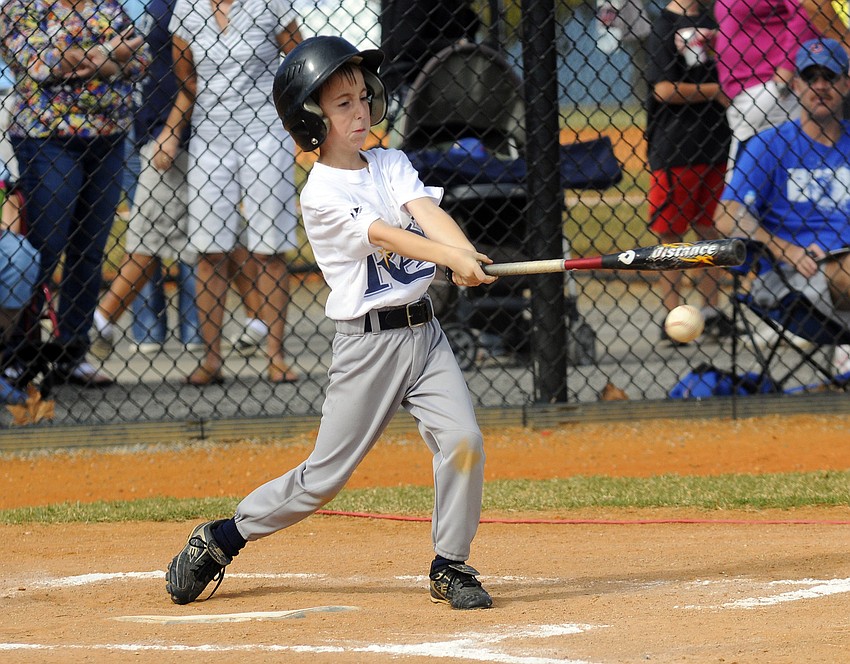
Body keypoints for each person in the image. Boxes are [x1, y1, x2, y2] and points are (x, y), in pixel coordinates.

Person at [165, 36, 497, 610]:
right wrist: (447, 258)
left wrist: (465, 252)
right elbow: (383, 233)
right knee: (323, 478)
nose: (360, 110)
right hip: (368, 348)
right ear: (311, 118)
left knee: (464, 440)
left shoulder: (390, 163)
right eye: (342, 103)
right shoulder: (320, 192)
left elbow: (426, 214)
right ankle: (223, 538)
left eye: (363, 97)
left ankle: (451, 563)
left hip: (426, 336)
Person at [0, 0, 149, 387]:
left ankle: (72, 353)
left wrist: (88, 60)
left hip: (109, 137)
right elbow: (37, 63)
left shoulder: (107, 5)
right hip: (48, 139)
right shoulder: (23, 6)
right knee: (44, 248)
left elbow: (142, 56)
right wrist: (108, 56)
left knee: (90, 249)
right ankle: (16, 352)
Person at [164, 0, 302, 385]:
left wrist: (293, 124)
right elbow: (186, 79)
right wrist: (176, 131)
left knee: (269, 248)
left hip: (266, 132)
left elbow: (300, 61)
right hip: (210, 137)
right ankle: (211, 360)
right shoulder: (186, 10)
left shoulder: (272, 3)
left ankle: (276, 356)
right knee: (209, 250)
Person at [715, 38, 850, 371]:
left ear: (846, 84)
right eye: (810, 77)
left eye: (829, 77)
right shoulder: (769, 144)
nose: (820, 86)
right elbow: (727, 216)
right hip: (791, 278)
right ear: (795, 84)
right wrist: (784, 248)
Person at [91, 0, 202, 359]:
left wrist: (172, 131)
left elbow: (183, 74)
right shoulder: (115, 6)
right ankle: (146, 327)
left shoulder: (175, 5)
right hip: (128, 125)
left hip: (166, 128)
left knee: (165, 233)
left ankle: (191, 328)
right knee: (148, 227)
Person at [645, 0, 735, 342]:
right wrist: (715, 92)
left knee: (711, 232)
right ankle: (673, 315)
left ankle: (710, 313)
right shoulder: (663, 24)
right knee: (671, 235)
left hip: (718, 143)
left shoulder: (719, 19)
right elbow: (664, 89)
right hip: (675, 145)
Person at [713, 0, 821, 165]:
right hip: (743, 96)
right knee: (747, 179)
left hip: (771, 89)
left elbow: (806, 10)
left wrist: (787, 67)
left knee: (771, 174)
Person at [379, 0, 480, 144]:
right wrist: (456, 45)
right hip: (410, 82)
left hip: (452, 88)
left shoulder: (462, 11)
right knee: (408, 148)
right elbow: (404, 44)